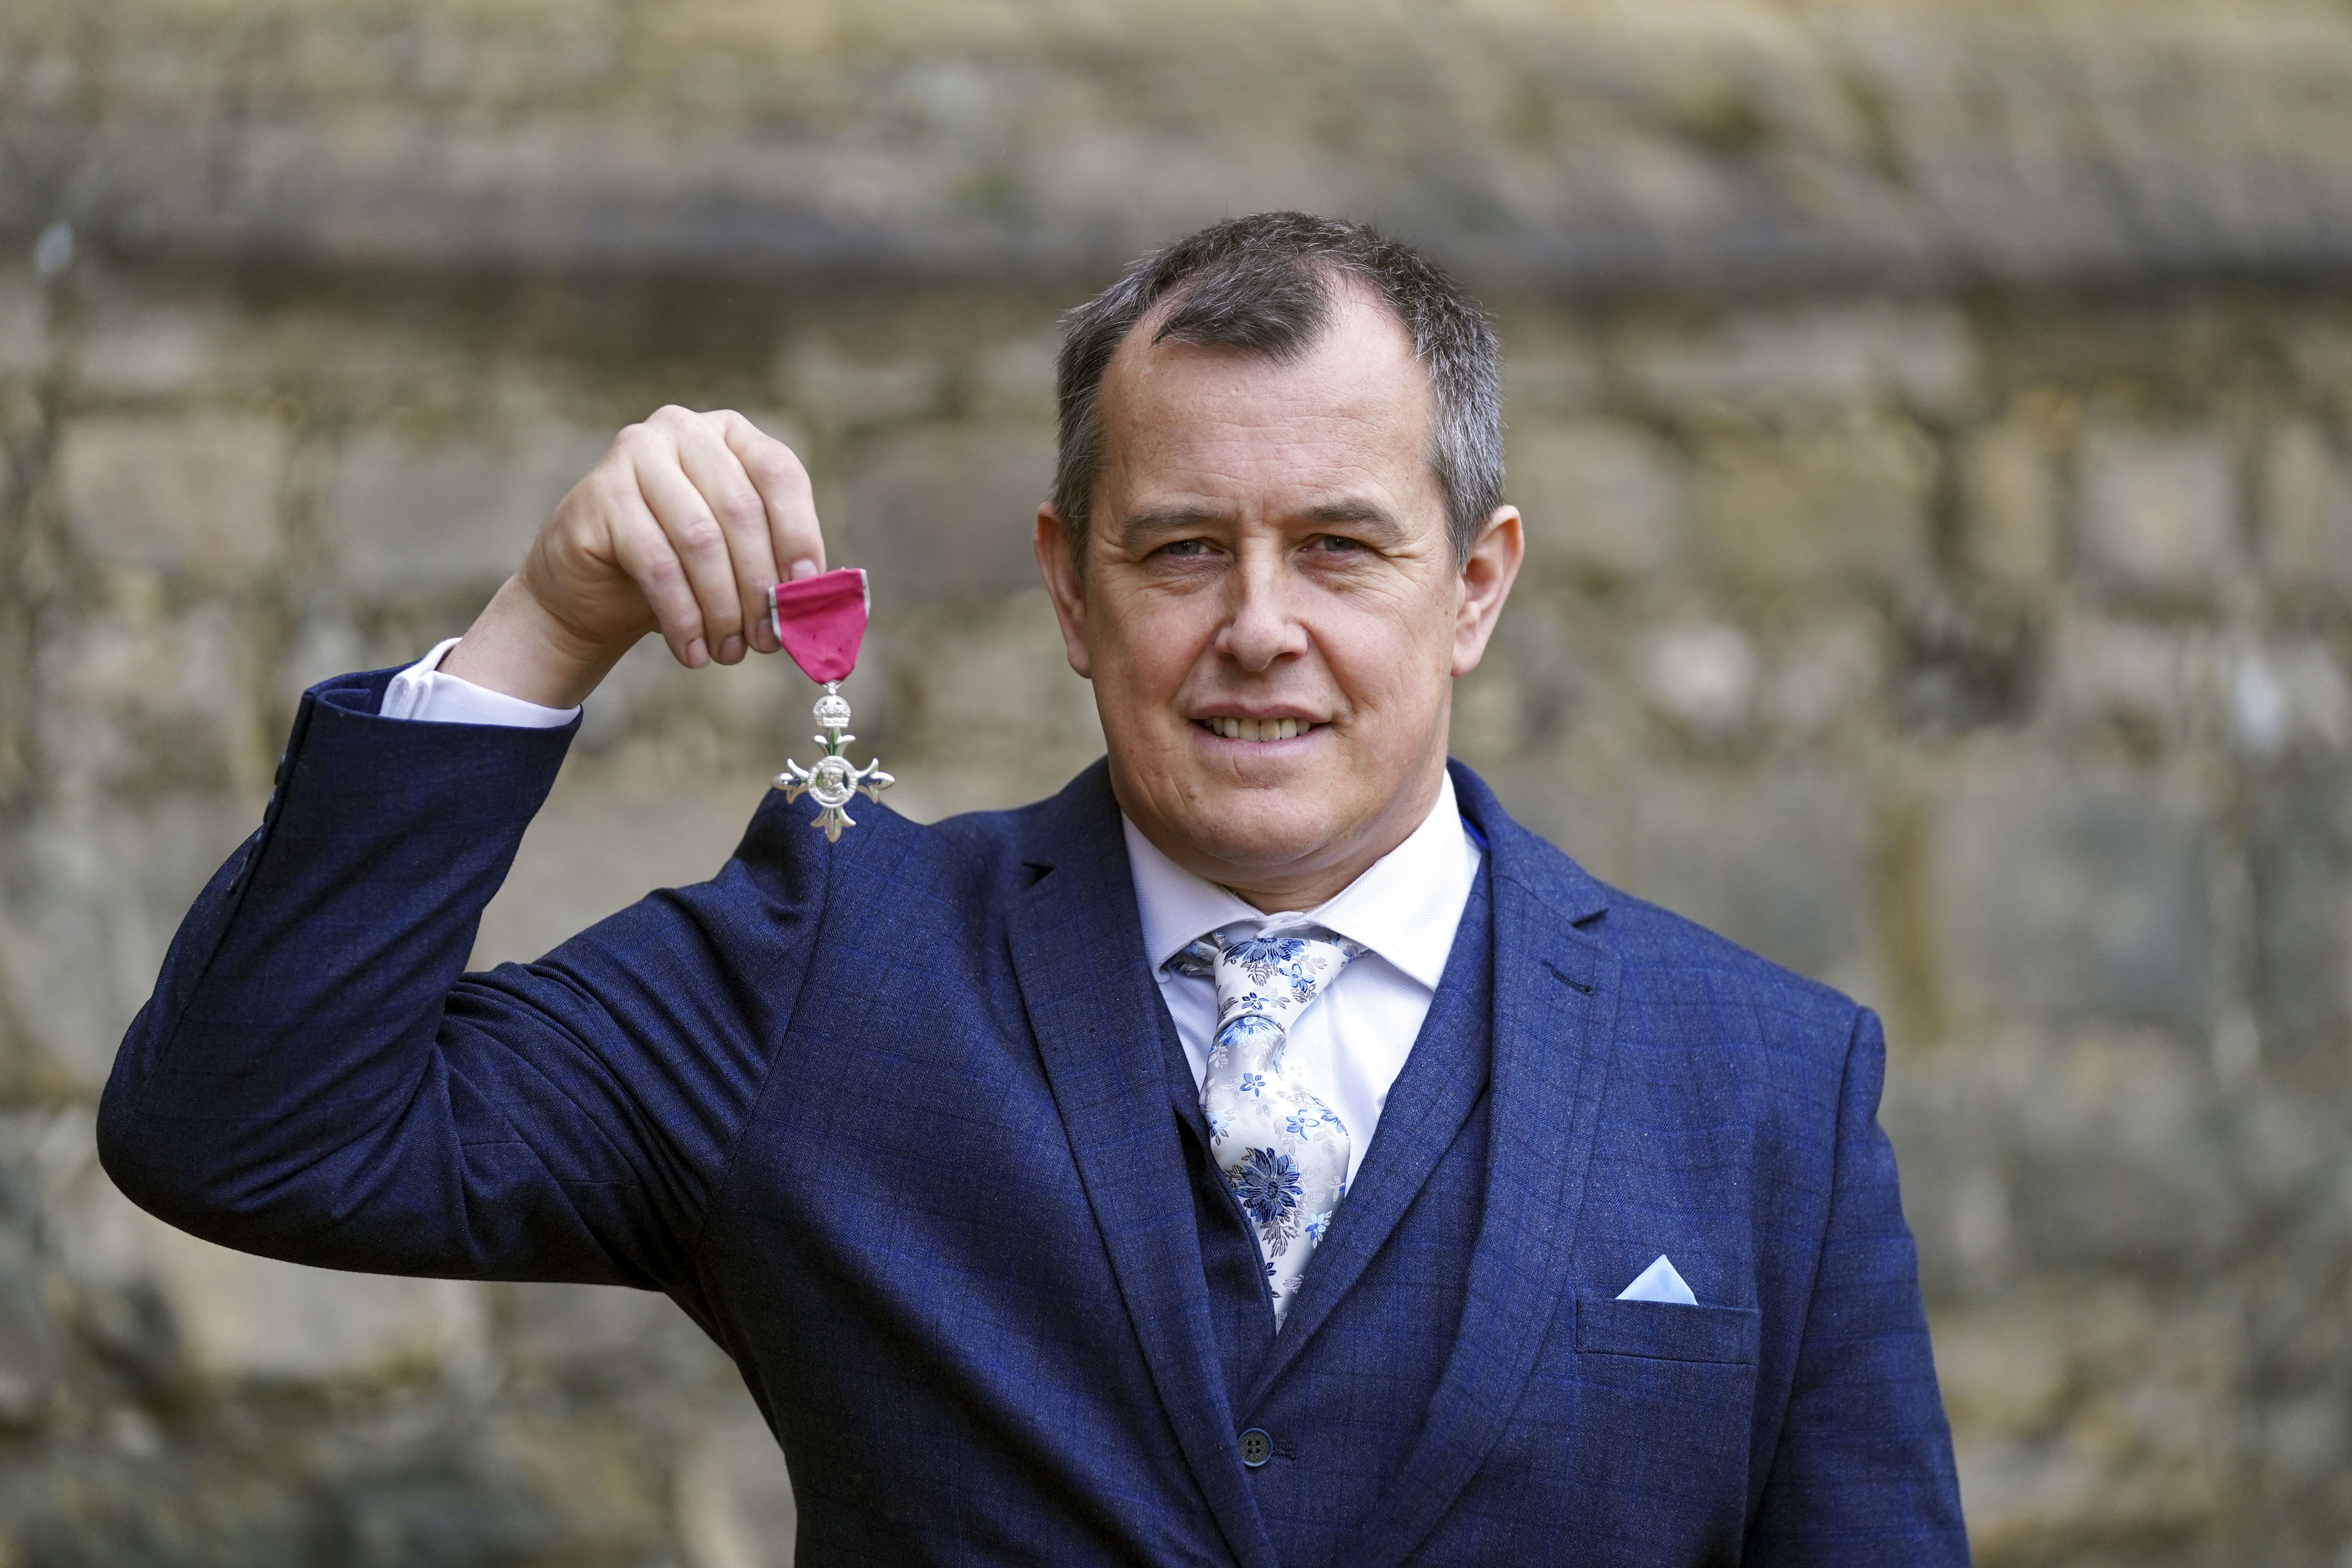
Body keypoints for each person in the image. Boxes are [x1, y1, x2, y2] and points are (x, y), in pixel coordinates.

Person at [99, 213, 1968, 1564]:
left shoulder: (1764, 1089)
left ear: (1473, 583)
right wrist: (549, 626)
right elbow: (248, 1125)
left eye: (1338, 547)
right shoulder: (822, 972)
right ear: (1070, 590)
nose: (1259, 629)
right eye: (1182, 550)